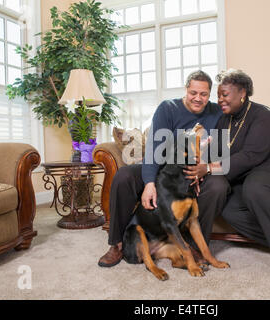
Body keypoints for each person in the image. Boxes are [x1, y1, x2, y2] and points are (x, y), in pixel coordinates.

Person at [183, 69, 270, 280]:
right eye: (218, 95)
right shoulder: (223, 121)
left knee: (255, 188)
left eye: (225, 95)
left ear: (242, 93)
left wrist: (209, 168)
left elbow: (251, 156)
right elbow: (214, 153)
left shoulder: (263, 114)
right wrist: (199, 168)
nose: (220, 100)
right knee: (229, 209)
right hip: (249, 175)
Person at [98, 71, 230, 267]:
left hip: (197, 170)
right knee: (124, 175)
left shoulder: (216, 113)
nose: (198, 98)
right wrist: (149, 183)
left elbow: (220, 152)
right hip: (164, 167)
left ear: (209, 94)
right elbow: (154, 149)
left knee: (219, 185)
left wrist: (205, 168)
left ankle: (194, 246)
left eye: (203, 94)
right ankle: (116, 243)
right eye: (193, 92)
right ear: (186, 90)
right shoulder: (168, 108)